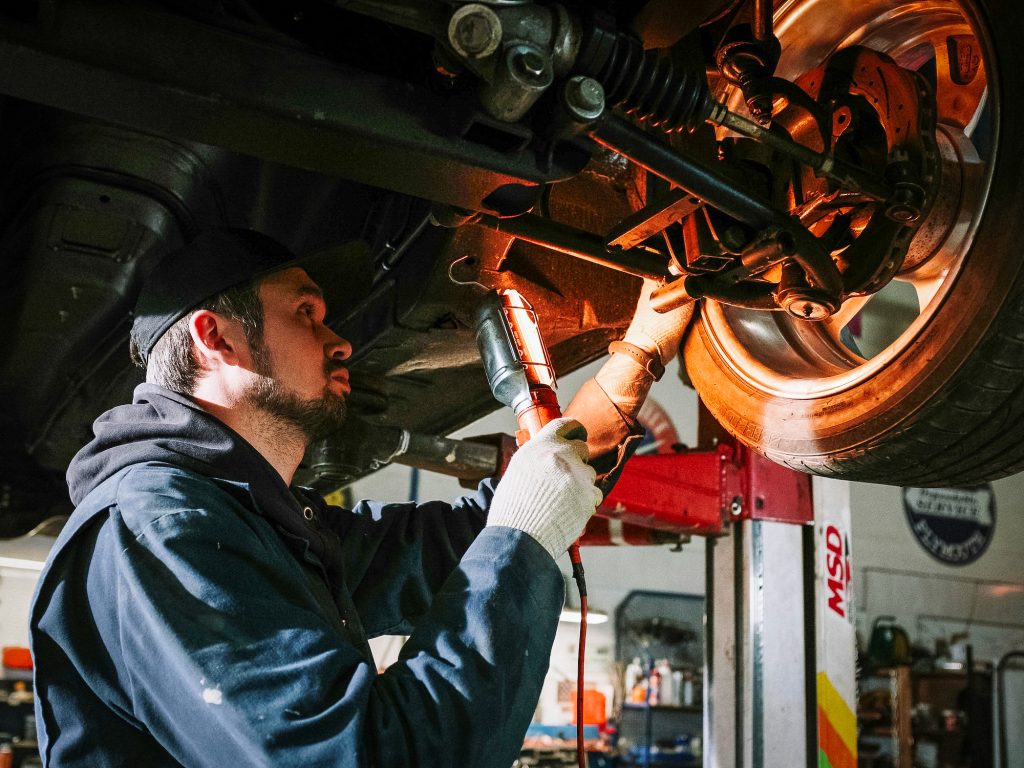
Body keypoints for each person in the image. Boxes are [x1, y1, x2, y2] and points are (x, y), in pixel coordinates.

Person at [29, 228, 693, 767]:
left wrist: (637, 356)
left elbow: (464, 544)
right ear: (216, 338)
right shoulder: (157, 527)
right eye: (306, 313)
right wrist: (525, 535)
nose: (340, 339)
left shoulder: (257, 524)